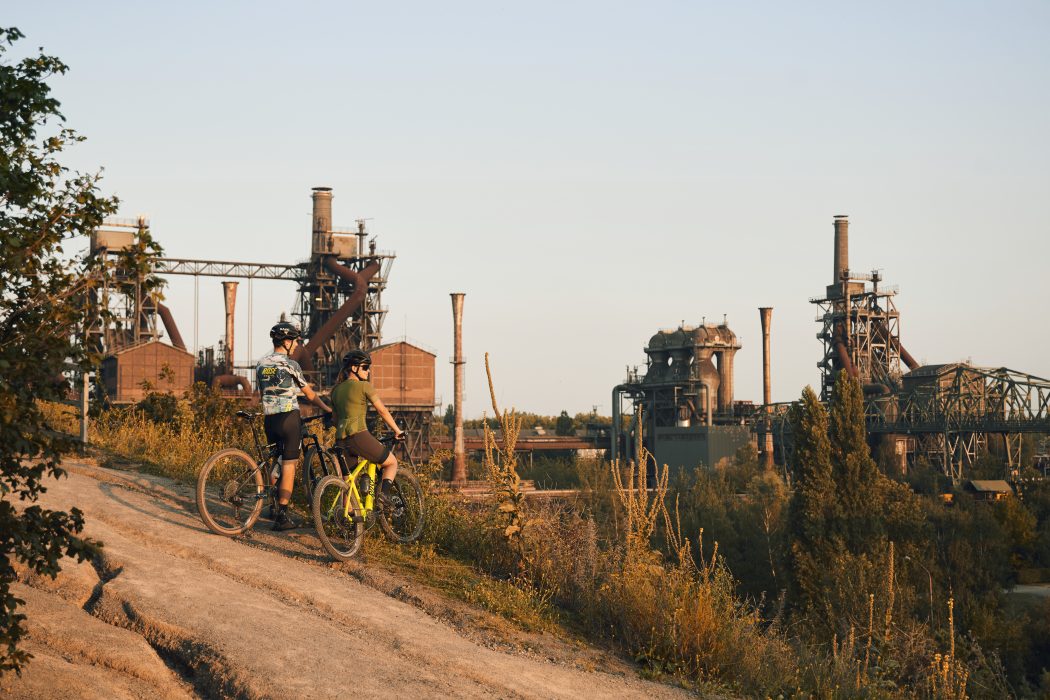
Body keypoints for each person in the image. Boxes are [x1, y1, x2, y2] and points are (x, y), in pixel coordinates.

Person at [256, 321, 332, 530]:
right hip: (289, 418)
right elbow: (309, 394)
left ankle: (272, 507)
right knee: (289, 465)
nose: (297, 345)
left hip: (269, 419)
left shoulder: (261, 363)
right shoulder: (291, 364)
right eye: (296, 341)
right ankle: (282, 516)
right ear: (287, 342)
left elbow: (262, 394)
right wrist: (326, 409)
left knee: (276, 461)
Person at [330, 349, 404, 507]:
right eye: (365, 367)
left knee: (347, 484)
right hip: (358, 436)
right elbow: (382, 411)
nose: (368, 371)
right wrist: (397, 431)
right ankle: (383, 495)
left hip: (340, 440)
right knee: (391, 463)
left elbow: (335, 420)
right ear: (354, 368)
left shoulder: (335, 391)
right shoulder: (364, 386)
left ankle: (347, 522)